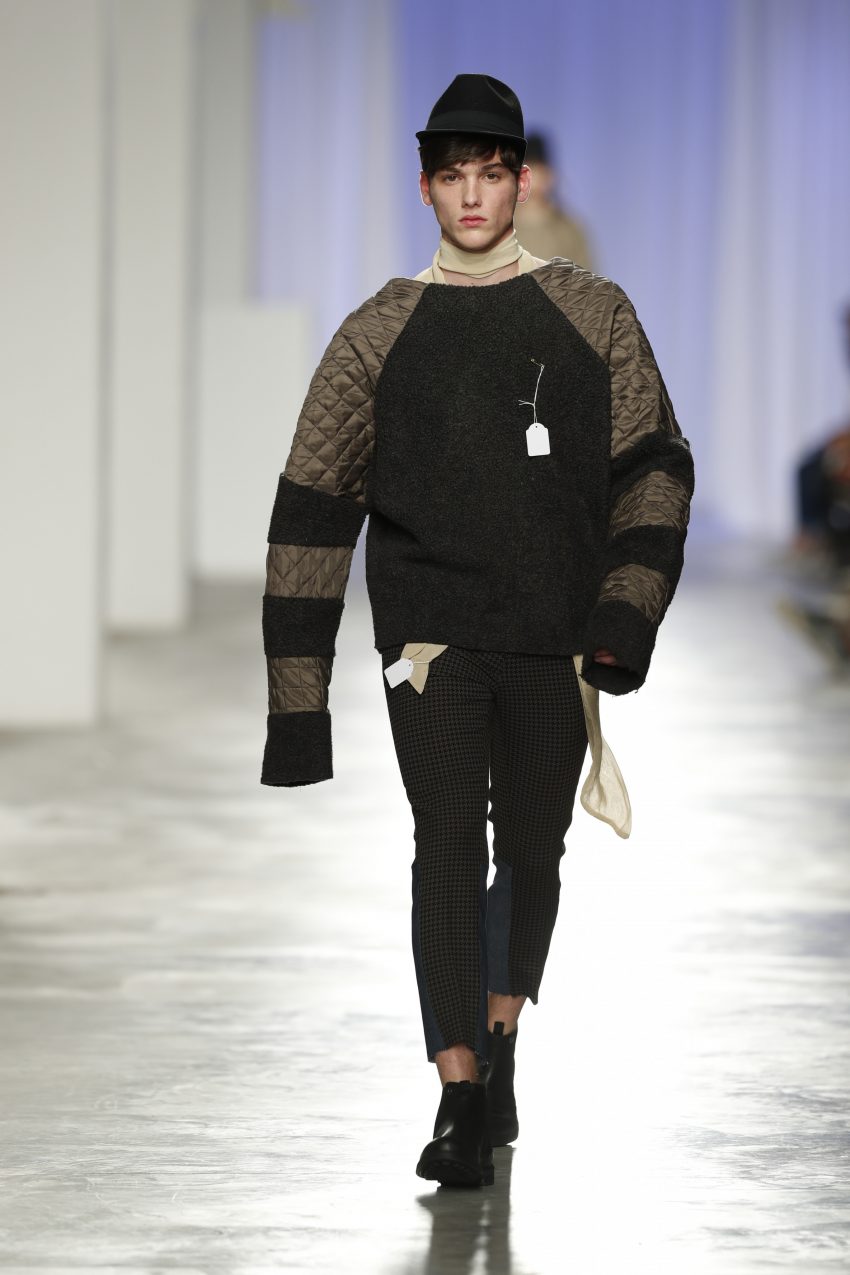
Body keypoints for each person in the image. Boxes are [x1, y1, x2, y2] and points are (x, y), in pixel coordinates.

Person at [260, 74, 695, 1188]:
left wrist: (623, 613)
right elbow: (312, 505)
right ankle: (457, 1091)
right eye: (450, 177)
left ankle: (499, 1042)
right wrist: (297, 710)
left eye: (488, 175)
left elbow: (653, 466)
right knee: (447, 844)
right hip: (431, 640)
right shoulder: (378, 332)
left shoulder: (593, 313)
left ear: (517, 181)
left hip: (553, 634)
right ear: (425, 189)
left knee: (533, 851)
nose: (470, 195)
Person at [513, 130, 596, 269]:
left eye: (539, 172)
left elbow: (587, 278)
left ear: (550, 175)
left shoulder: (568, 230)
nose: (533, 181)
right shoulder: (498, 228)